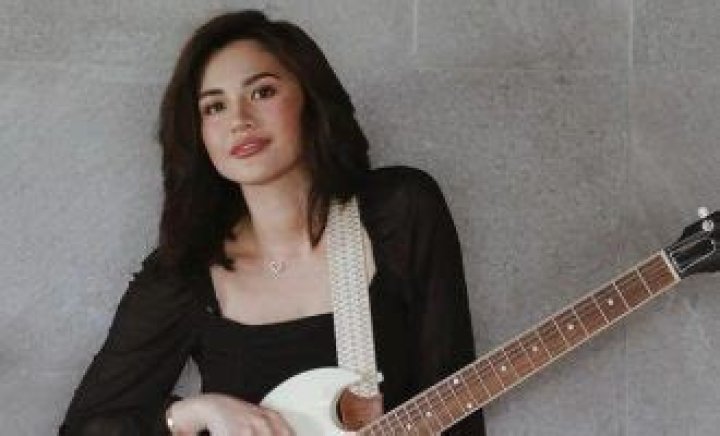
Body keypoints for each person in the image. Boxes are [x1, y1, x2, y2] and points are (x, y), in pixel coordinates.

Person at [60, 10, 485, 435]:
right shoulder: (186, 272)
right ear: (198, 134)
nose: (239, 120)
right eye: (214, 107)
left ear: (310, 99)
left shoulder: (400, 212)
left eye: (262, 92)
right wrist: (193, 414)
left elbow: (455, 404)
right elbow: (84, 428)